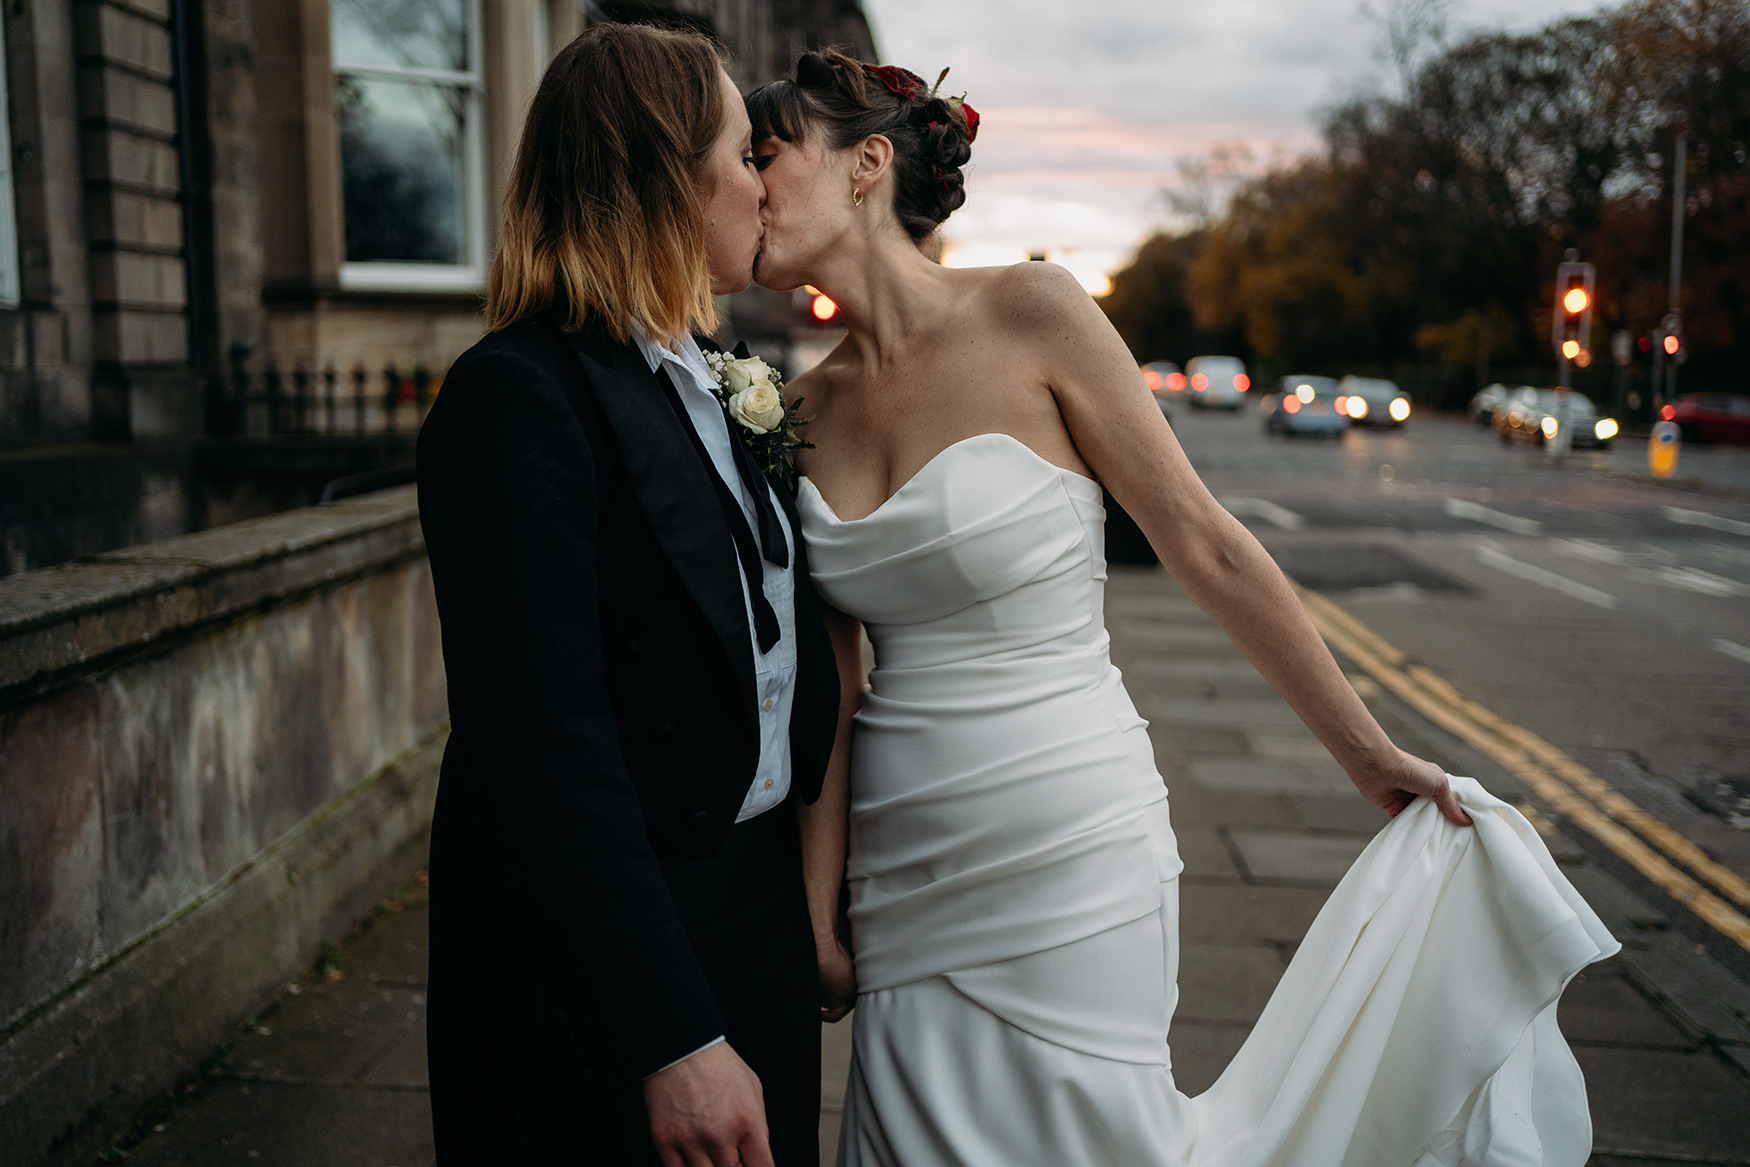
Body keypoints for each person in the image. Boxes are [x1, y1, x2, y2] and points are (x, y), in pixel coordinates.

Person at [748, 51, 1619, 1166]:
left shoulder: (1033, 311)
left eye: (765, 152)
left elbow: (1205, 545)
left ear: (865, 165)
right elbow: (837, 687)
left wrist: (1365, 754)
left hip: (1070, 841)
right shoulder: (798, 409)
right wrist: (821, 916)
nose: (745, 179)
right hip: (902, 868)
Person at [416, 25, 840, 1166]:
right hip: (607, 966)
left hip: (752, 924)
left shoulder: (714, 378)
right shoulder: (516, 398)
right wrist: (673, 1035)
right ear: (665, 175)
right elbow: (544, 747)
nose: (764, 181)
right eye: (743, 154)